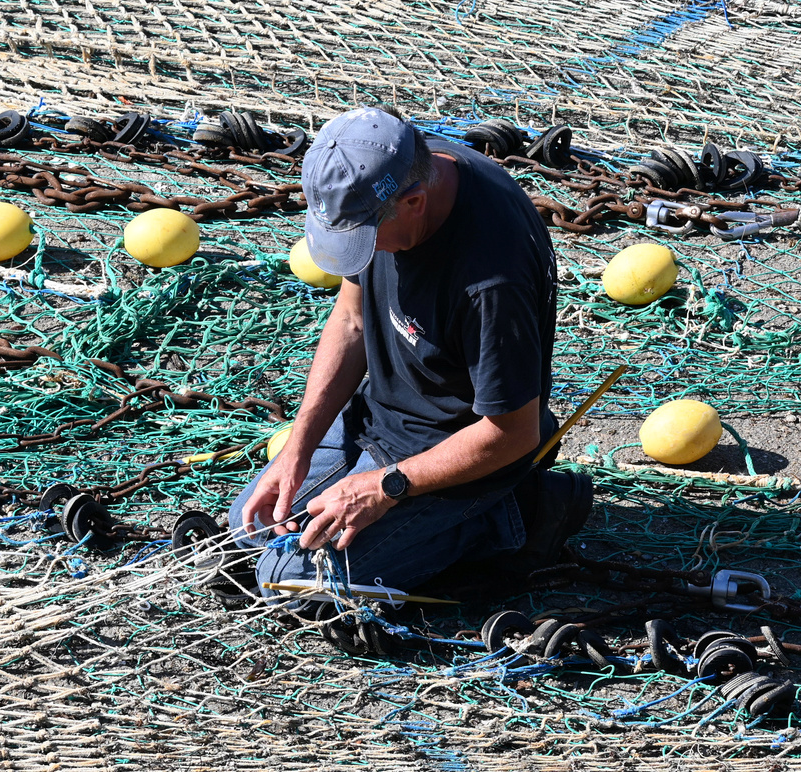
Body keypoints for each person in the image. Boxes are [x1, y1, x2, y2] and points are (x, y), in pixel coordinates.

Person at [226, 105, 592, 605]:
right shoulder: (389, 171)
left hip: (459, 451)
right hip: (382, 416)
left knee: (294, 582)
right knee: (249, 528)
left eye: (361, 239)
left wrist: (385, 487)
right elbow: (352, 319)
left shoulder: (491, 281)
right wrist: (299, 444)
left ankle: (514, 514)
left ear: (414, 201)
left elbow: (512, 433)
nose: (361, 252)